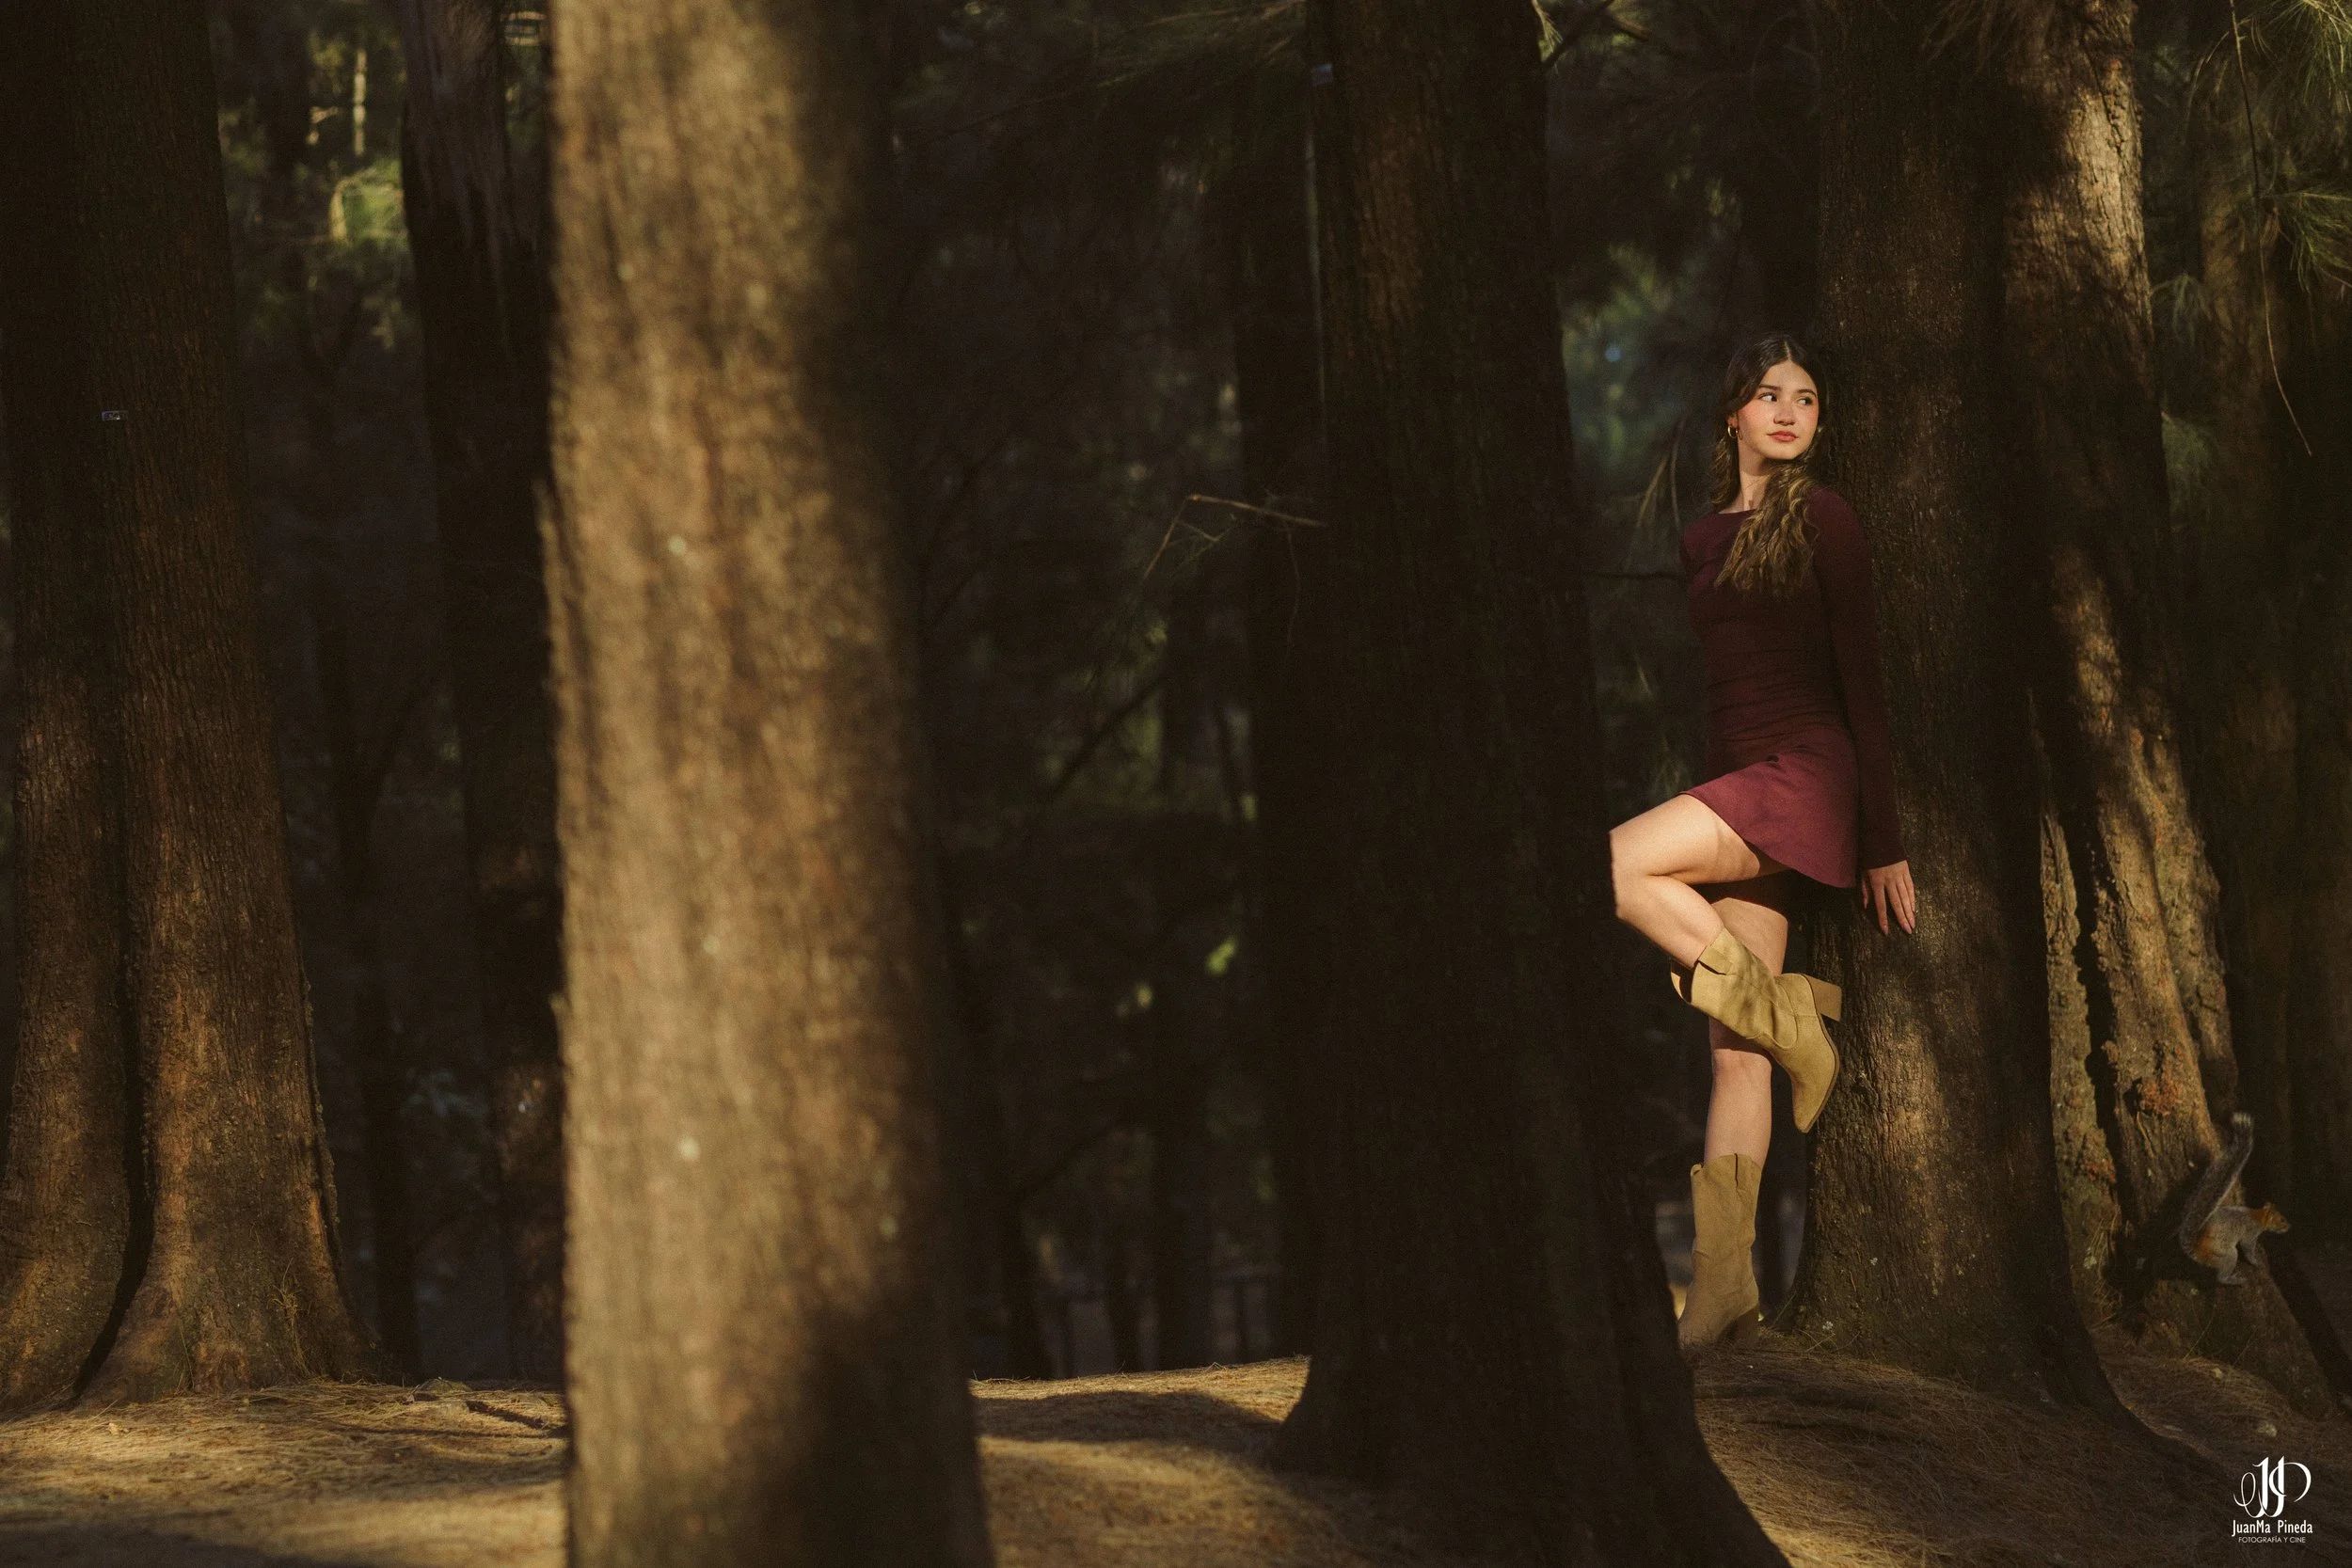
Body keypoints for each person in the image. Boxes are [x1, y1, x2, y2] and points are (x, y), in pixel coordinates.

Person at [1608, 332, 1917, 1352]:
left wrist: (1883, 841)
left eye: (1807, 399)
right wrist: (1709, 787)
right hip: (1741, 778)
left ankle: (1798, 1028)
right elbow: (1722, 690)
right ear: (1732, 414)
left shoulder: (1826, 520)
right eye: (1769, 395)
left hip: (1810, 775)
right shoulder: (1701, 539)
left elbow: (1864, 684)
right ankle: (1725, 1291)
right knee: (1733, 1056)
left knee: (1612, 862)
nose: (1788, 412)